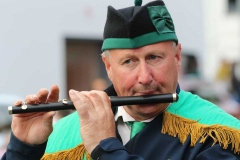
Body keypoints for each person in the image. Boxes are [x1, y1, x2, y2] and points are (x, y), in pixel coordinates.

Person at [2, 0, 240, 159]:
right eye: (129, 62)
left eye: (154, 58)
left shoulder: (217, 135)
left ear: (177, 57)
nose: (145, 78)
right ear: (108, 67)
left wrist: (106, 147)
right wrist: (23, 149)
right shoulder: (64, 133)